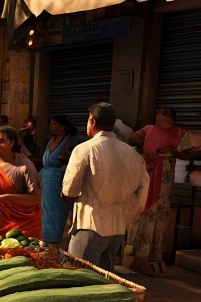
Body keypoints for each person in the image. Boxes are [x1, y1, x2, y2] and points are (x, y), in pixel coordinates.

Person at [63, 103, 149, 272]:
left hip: (90, 225)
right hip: (117, 229)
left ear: (92, 121)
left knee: (81, 278)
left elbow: (69, 189)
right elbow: (142, 191)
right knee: (105, 280)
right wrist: (127, 216)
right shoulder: (132, 153)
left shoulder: (84, 149)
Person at [127, 107, 189, 275]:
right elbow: (132, 137)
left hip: (165, 173)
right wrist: (133, 139)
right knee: (143, 210)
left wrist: (174, 152)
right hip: (147, 170)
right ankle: (136, 255)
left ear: (172, 120)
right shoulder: (149, 129)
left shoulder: (181, 134)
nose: (160, 123)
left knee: (159, 211)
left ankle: (154, 255)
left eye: (164, 120)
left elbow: (190, 154)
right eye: (158, 120)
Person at [40, 115, 80, 247]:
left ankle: (53, 242)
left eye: (54, 124)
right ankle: (43, 238)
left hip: (58, 180)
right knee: (43, 211)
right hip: (44, 178)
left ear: (63, 126)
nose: (50, 126)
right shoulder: (51, 140)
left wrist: (65, 159)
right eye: (50, 124)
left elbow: (76, 161)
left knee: (55, 212)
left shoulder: (70, 141)